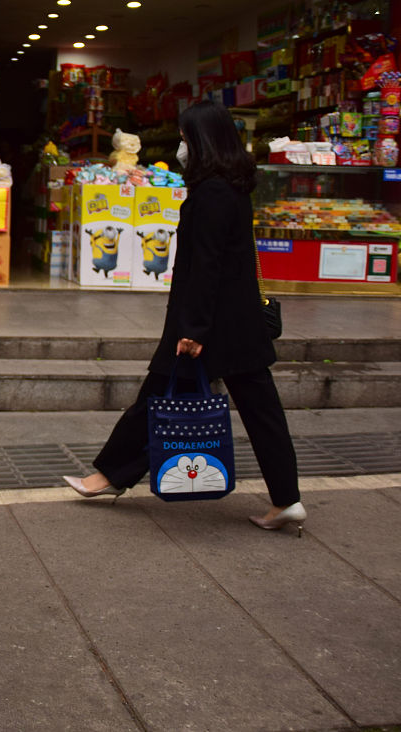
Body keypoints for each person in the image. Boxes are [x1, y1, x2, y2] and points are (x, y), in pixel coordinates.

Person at [63, 100, 306, 533]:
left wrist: (193, 330)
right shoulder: (233, 186)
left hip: (209, 326)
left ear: (202, 140)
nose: (180, 146)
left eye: (184, 137)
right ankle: (287, 499)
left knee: (158, 396)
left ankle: (107, 476)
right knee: (261, 412)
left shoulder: (211, 193)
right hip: (239, 326)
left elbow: (205, 267)